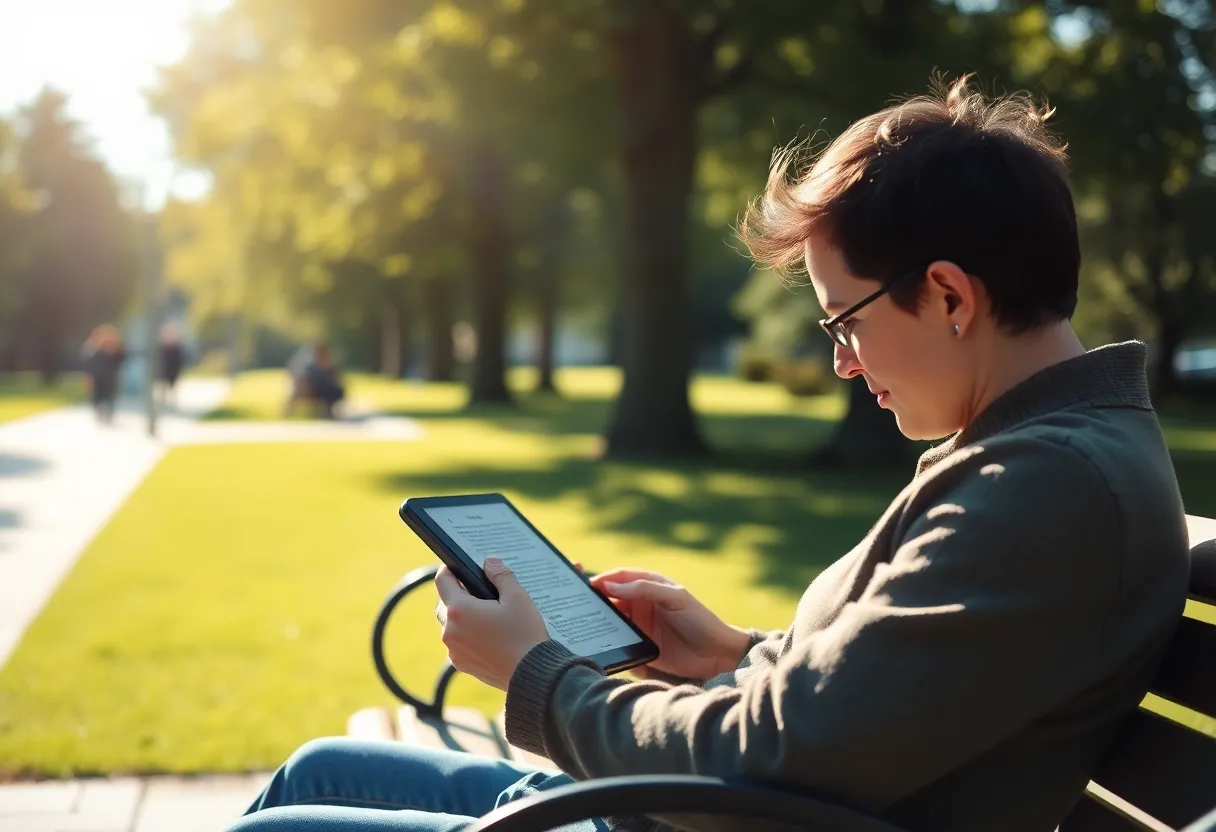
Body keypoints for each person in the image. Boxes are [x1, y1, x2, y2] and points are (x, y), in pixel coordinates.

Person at [228, 76, 1191, 832]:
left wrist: (538, 678)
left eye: (844, 320)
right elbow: (894, 697)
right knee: (318, 771)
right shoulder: (1043, 455)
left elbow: (771, 759)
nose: (843, 362)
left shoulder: (1049, 486)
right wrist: (733, 651)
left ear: (948, 295)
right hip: (684, 815)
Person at [81, 324, 127, 425]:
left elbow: (122, 360)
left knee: (110, 397)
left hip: (111, 378)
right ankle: (100, 412)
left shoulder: (117, 351)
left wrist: (113, 350)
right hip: (97, 378)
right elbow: (88, 365)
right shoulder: (93, 350)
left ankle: (108, 414)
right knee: (97, 397)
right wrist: (87, 377)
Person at [304, 341, 345, 419]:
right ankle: (325, 412)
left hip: (329, 390)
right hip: (317, 391)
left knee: (334, 391)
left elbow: (337, 379)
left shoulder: (331, 366)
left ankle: (329, 411)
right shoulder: (311, 367)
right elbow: (309, 382)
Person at [157, 322, 186, 410]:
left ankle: (172, 403)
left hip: (173, 371)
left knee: (173, 389)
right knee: (164, 388)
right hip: (164, 371)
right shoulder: (161, 347)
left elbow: (181, 360)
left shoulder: (177, 348)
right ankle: (164, 403)